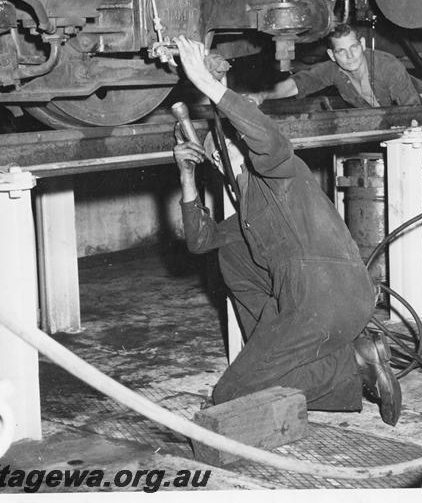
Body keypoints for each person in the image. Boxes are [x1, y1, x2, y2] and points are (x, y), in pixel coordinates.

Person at [172, 36, 402, 425]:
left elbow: (268, 139)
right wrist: (186, 175)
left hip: (322, 297)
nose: (228, 151)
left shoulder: (278, 174)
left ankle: (350, 363)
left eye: (232, 142)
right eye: (220, 152)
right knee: (231, 256)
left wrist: (208, 84)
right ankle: (355, 360)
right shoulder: (250, 211)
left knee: (229, 395)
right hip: (333, 305)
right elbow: (201, 242)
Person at [244, 23, 422, 248]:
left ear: (362, 45)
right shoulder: (333, 70)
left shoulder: (387, 66)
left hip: (417, 121)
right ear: (332, 55)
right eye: (341, 51)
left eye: (354, 47)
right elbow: (297, 84)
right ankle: (391, 245)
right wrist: (261, 95)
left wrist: (417, 149)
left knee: (420, 182)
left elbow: (413, 111)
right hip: (383, 125)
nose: (350, 56)